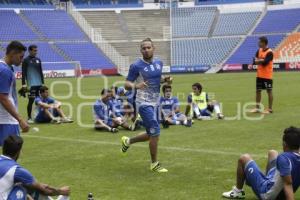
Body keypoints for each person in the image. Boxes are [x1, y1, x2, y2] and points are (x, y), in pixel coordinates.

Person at [121, 38, 172, 173]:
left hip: (155, 101)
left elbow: (157, 79)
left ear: (153, 48)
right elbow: (126, 84)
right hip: (143, 102)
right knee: (155, 129)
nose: (146, 50)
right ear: (140, 50)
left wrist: (165, 80)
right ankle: (154, 163)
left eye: (148, 47)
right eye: (143, 48)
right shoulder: (136, 66)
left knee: (151, 134)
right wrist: (136, 85)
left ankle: (128, 141)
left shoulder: (159, 63)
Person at [222, 126, 300, 199]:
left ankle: (238, 192)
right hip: (280, 191)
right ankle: (261, 180)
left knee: (244, 158)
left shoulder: (284, 158)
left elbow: (288, 183)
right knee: (272, 153)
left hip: (267, 194)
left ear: (284, 144)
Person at [0, 135, 70, 200]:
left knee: (20, 184)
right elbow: (44, 190)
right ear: (19, 152)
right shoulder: (16, 170)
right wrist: (61, 191)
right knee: (23, 187)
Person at [0, 41, 29, 146]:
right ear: (12, 53)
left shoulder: (5, 68)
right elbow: (3, 98)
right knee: (12, 156)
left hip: (4, 118)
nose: (22, 60)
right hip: (7, 120)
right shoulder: (4, 71)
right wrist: (20, 119)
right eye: (20, 57)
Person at [22, 45, 44, 123]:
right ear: (30, 51)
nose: (36, 52)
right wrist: (23, 84)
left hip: (39, 84)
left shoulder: (38, 60)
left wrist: (43, 83)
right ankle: (29, 118)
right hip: (31, 85)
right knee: (31, 101)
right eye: (34, 50)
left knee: (39, 101)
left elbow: (41, 72)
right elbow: (23, 73)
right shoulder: (25, 60)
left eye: (36, 50)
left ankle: (37, 115)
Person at [251, 36, 274, 114]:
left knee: (269, 91)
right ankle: (257, 108)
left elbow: (265, 63)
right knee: (258, 91)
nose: (258, 43)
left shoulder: (270, 52)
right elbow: (254, 60)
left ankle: (270, 109)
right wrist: (260, 61)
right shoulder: (259, 50)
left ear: (264, 43)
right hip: (259, 75)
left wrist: (259, 61)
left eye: (259, 42)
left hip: (267, 76)